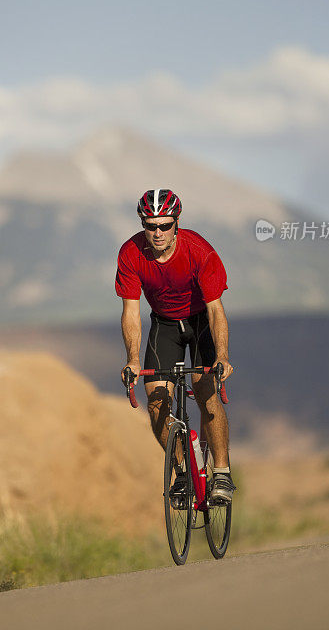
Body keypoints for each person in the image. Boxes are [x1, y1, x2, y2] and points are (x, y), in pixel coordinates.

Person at [116, 188, 235, 504]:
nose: (157, 233)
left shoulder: (199, 251)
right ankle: (183, 471)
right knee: (156, 405)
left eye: (165, 225)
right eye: (150, 226)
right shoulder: (130, 252)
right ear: (143, 223)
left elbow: (216, 311)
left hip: (199, 324)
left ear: (177, 223)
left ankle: (221, 474)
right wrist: (131, 359)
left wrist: (222, 356)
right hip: (164, 326)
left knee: (207, 395)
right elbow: (130, 312)